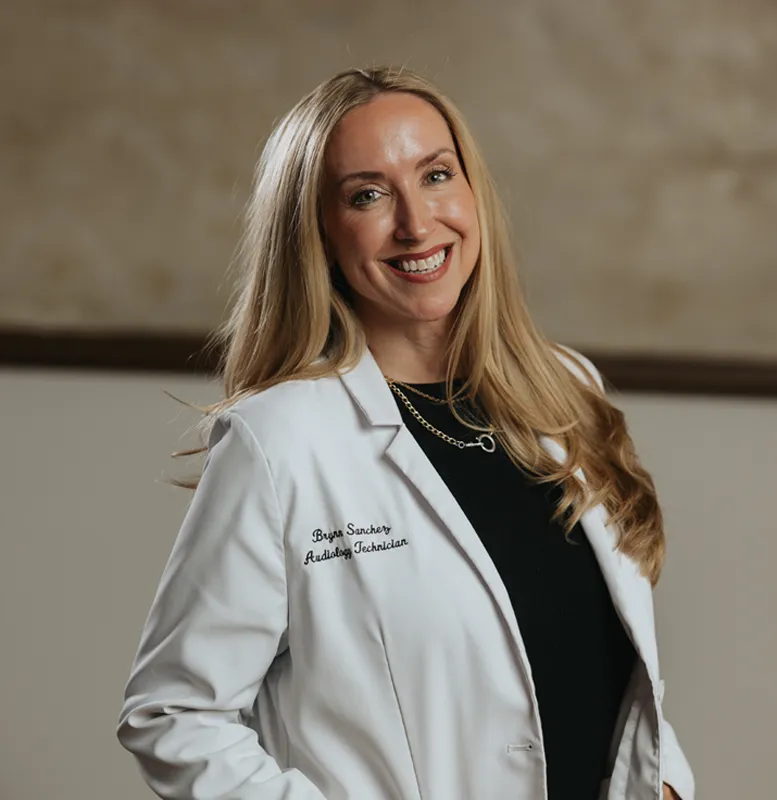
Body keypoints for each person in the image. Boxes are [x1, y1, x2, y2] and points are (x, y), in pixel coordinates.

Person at [117, 66, 695, 800]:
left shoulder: (564, 388)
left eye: (436, 175)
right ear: (319, 235)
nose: (417, 224)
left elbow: (612, 676)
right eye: (368, 195)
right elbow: (173, 714)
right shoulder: (282, 440)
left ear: (473, 192)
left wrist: (666, 782)